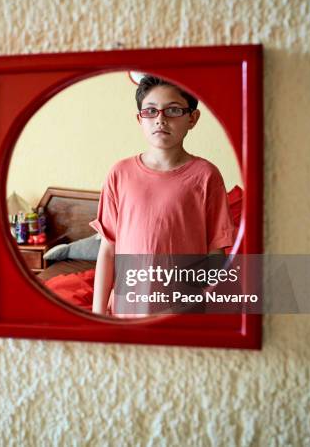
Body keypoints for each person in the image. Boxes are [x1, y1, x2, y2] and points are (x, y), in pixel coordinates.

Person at [89, 75, 235, 316]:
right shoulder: (119, 173)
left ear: (192, 118)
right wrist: (97, 314)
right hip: (127, 311)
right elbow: (107, 250)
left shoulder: (206, 175)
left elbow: (215, 254)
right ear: (140, 119)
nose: (160, 119)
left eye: (173, 110)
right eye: (151, 111)